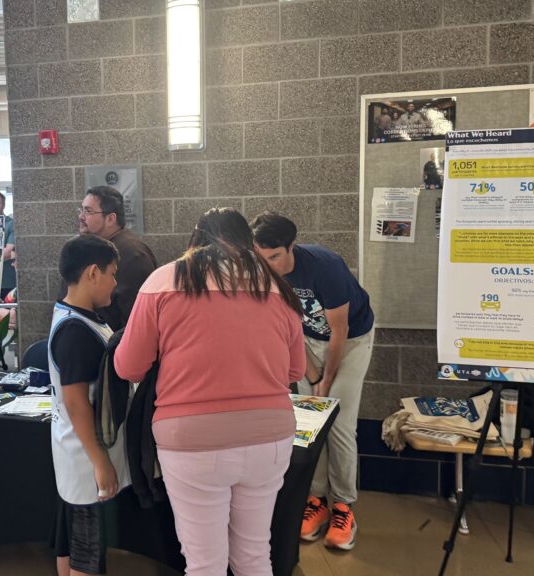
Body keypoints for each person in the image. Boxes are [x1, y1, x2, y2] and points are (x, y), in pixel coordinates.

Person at [114, 208, 305, 575]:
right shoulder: (275, 286)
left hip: (191, 441)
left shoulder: (162, 281)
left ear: (195, 239)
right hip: (270, 438)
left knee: (204, 562)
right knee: (253, 553)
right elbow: (294, 371)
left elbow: (128, 367)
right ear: (247, 243)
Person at [250, 212, 375, 551]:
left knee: (339, 424)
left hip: (349, 343)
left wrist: (327, 381)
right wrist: (310, 375)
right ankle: (316, 500)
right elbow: (284, 329)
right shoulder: (263, 273)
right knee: (308, 424)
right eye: (262, 258)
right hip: (304, 342)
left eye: (275, 256)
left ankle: (344, 507)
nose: (269, 265)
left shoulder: (325, 266)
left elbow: (340, 330)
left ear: (291, 247)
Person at [49, 234, 130, 576]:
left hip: (77, 453)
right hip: (84, 459)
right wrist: (100, 462)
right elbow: (76, 401)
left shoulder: (81, 316)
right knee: (87, 548)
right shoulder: (75, 330)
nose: (115, 283)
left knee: (71, 538)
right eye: (112, 274)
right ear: (93, 272)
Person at [78, 186, 158, 330]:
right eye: (81, 210)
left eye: (88, 211)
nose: (81, 217)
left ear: (110, 219)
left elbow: (137, 322)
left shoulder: (133, 255)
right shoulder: (94, 248)